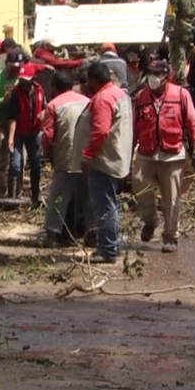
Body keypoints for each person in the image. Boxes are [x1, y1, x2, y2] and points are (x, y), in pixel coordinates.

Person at [132, 59, 195, 253]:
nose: (152, 78)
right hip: (146, 153)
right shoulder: (141, 97)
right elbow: (134, 127)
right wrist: (128, 149)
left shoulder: (181, 95)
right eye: (150, 74)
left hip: (171, 155)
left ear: (166, 77)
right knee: (139, 186)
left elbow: (192, 122)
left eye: (156, 74)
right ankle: (150, 221)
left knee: (171, 198)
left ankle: (170, 236)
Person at [73, 62, 133, 263]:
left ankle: (107, 249)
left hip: (104, 160)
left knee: (104, 206)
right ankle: (112, 244)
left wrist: (88, 156)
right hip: (117, 156)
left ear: (93, 80)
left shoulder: (102, 99)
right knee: (111, 204)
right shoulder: (120, 94)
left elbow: (100, 131)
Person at [40, 71, 90, 248]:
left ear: (54, 87)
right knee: (87, 197)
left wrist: (46, 152)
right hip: (88, 157)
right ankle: (91, 235)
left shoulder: (53, 105)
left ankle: (52, 235)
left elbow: (47, 135)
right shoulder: (87, 102)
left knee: (59, 196)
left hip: (65, 156)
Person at [7, 63, 46, 207]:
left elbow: (45, 108)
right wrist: (11, 138)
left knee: (36, 165)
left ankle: (35, 196)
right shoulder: (15, 93)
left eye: (26, 80)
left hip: (34, 132)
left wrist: (43, 114)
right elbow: (13, 117)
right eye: (21, 79)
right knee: (16, 164)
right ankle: (12, 198)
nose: (23, 82)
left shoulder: (39, 90)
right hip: (19, 133)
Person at [0, 49, 22, 199]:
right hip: (1, 123)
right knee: (0, 161)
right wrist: (3, 100)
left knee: (18, 161)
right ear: (7, 64)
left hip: (19, 126)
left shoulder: (23, 78)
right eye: (12, 67)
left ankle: (16, 193)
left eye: (18, 67)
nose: (15, 70)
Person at [161, 0, 195, 86]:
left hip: (179, 34)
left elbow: (170, 16)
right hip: (194, 32)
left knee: (178, 61)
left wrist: (164, 35)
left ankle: (182, 85)